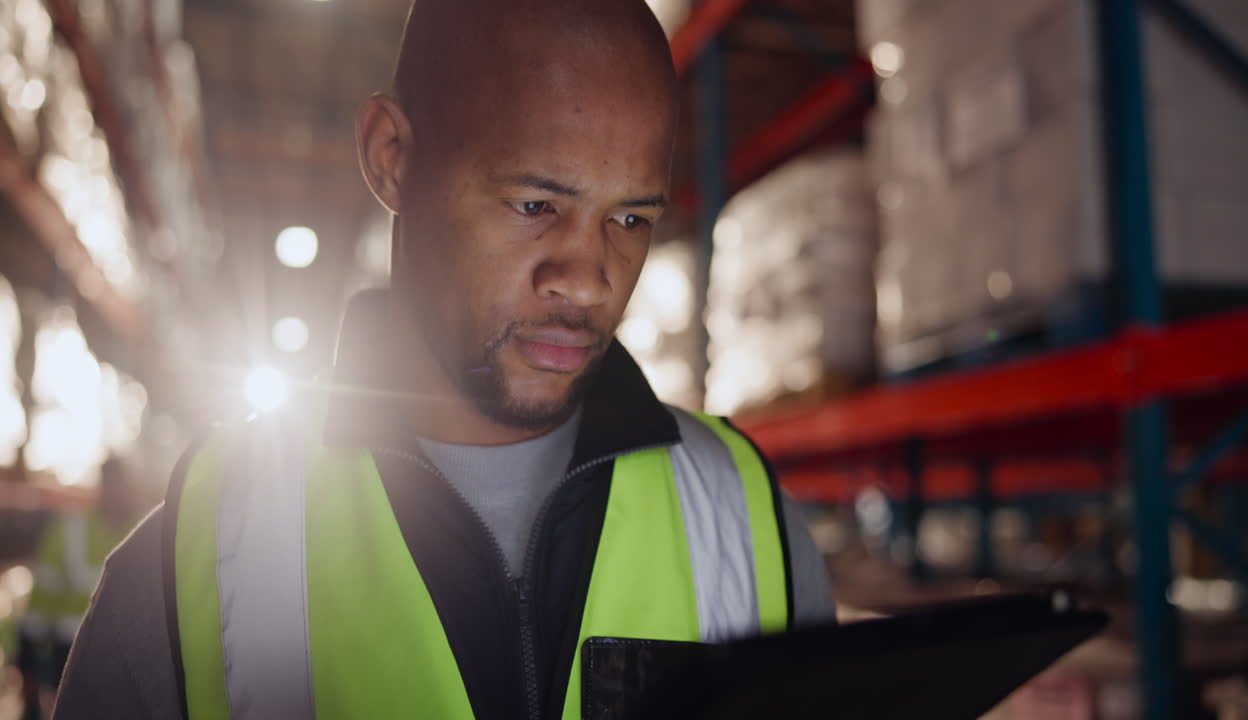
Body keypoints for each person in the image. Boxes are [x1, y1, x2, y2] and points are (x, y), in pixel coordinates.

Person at [53, 1, 834, 718]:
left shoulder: (743, 516)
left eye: (630, 217)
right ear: (391, 156)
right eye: (535, 206)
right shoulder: (196, 561)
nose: (588, 278)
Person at [17, 460, 137, 719]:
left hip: (128, 657)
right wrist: (28, 657)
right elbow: (42, 597)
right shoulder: (71, 529)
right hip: (72, 651)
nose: (118, 492)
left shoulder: (148, 532)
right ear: (102, 485)